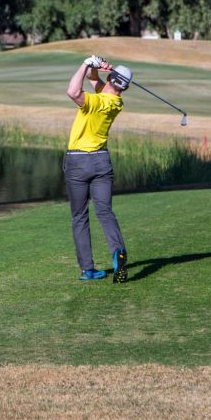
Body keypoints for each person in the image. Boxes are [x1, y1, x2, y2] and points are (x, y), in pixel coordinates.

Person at [64, 55, 132, 282]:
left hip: (78, 162)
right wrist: (96, 69)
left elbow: (73, 92)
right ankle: (118, 250)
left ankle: (88, 269)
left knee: (79, 216)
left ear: (111, 79)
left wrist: (85, 63)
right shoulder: (116, 103)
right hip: (101, 162)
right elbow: (96, 82)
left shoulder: (95, 102)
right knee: (105, 211)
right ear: (125, 87)